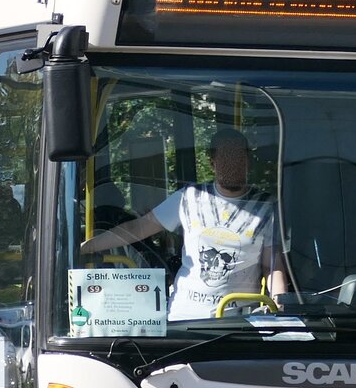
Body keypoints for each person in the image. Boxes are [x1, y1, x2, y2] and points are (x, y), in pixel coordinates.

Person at [81, 128, 286, 320]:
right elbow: (139, 228)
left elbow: (273, 266)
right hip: (184, 317)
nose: (232, 164)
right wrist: (87, 247)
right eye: (225, 158)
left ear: (248, 160)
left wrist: (280, 307)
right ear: (212, 162)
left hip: (236, 321)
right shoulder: (190, 197)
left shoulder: (266, 207)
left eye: (238, 157)